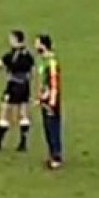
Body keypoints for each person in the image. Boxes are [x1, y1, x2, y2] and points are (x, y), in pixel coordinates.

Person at [36, 34, 63, 170]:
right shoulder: (43, 60)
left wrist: (51, 101)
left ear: (43, 45)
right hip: (45, 99)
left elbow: (54, 83)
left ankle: (56, 157)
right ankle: (52, 154)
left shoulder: (51, 62)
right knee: (47, 128)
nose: (35, 46)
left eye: (37, 43)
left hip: (51, 100)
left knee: (53, 127)